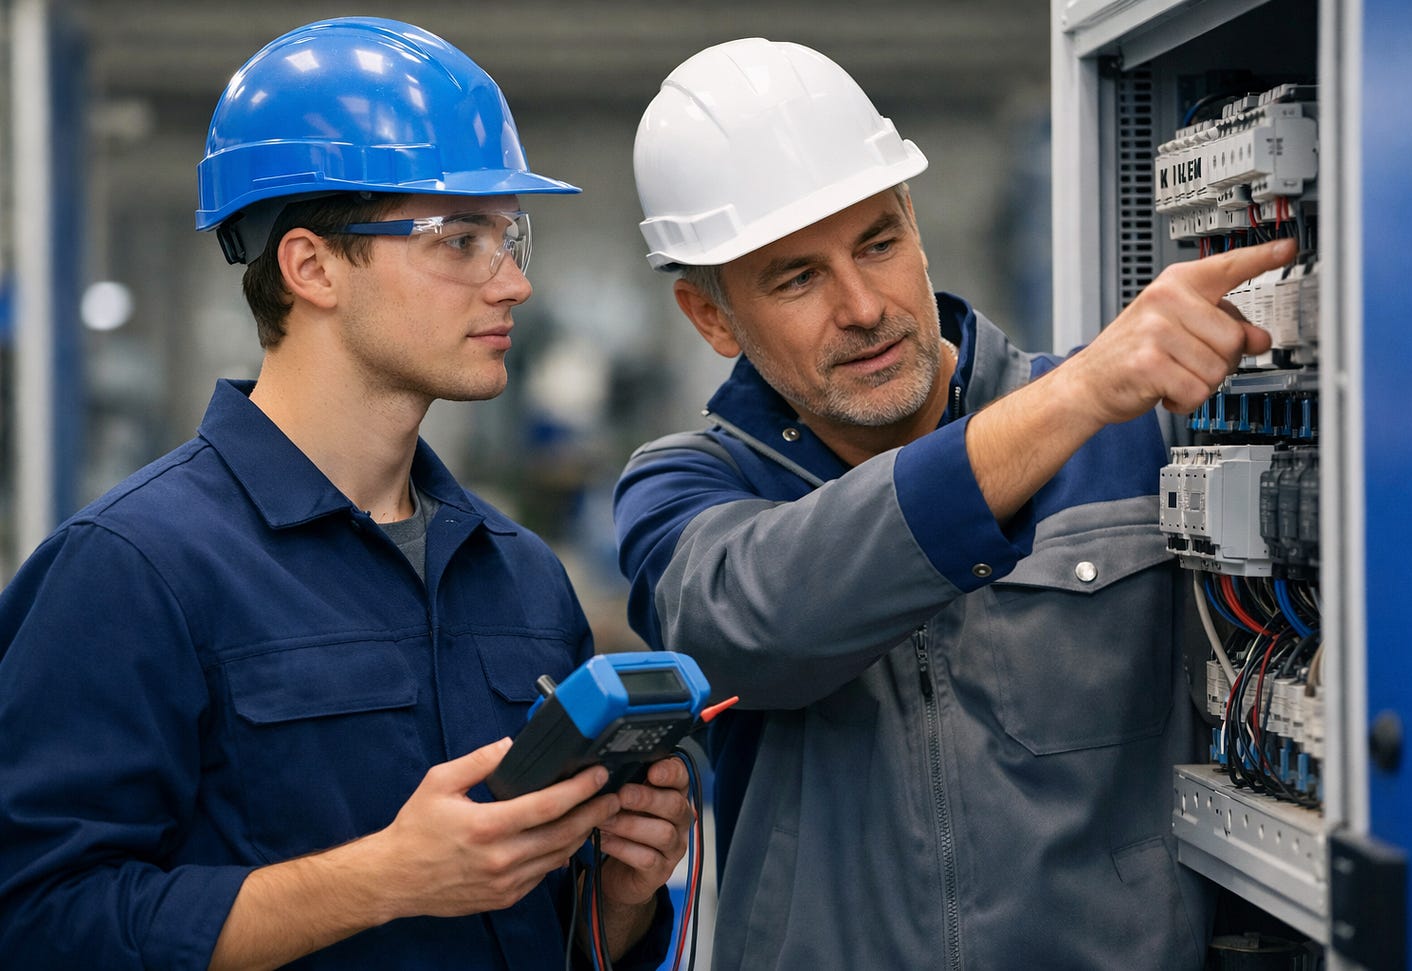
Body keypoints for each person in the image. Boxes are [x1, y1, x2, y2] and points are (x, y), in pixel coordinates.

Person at [0, 18, 692, 970]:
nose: (515, 283)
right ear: (311, 266)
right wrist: (383, 879)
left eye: (511, 236)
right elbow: (38, 922)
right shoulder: (132, 571)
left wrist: (618, 895)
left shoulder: (520, 579)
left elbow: (557, 937)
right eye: (462, 239)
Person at [614, 37, 1298, 969]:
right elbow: (749, 619)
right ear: (711, 316)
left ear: (915, 222)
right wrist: (1075, 396)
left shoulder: (1137, 437)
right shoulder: (685, 487)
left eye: (879, 243)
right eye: (797, 277)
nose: (862, 306)